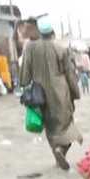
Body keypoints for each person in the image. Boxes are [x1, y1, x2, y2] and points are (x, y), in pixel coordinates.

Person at [20, 18, 82, 170]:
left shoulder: (30, 48)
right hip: (61, 92)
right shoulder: (61, 49)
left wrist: (25, 85)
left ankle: (56, 154)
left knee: (49, 126)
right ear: (52, 33)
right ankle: (62, 150)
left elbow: (25, 75)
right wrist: (75, 92)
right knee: (66, 126)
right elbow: (70, 74)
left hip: (40, 93)